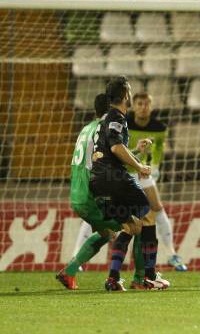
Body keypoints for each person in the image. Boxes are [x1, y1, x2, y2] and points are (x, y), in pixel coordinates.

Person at [90, 76, 169, 291]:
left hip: (98, 182)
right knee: (149, 215)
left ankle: (113, 279)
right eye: (130, 91)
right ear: (125, 95)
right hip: (114, 179)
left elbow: (109, 152)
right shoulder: (117, 116)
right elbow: (115, 148)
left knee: (131, 227)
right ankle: (150, 276)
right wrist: (139, 166)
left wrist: (135, 151)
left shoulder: (105, 119)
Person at [56, 94, 136, 290]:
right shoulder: (103, 130)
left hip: (76, 194)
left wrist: (136, 153)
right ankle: (135, 278)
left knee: (107, 233)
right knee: (135, 224)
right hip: (92, 195)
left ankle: (70, 272)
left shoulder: (86, 128)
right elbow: (109, 162)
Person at [127, 92, 187, 272]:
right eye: (139, 103)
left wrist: (155, 171)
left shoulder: (159, 128)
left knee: (157, 208)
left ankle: (171, 254)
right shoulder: (125, 124)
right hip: (123, 174)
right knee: (109, 216)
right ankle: (78, 256)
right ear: (133, 106)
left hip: (144, 175)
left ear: (151, 107)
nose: (143, 107)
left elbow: (157, 155)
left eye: (146, 104)